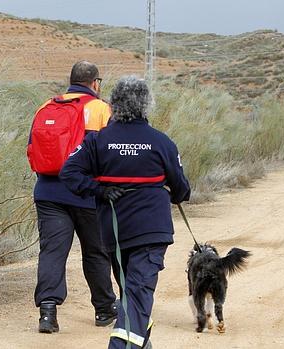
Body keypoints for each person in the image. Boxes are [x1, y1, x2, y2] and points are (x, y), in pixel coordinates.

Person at [59, 76, 191, 348]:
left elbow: (68, 172)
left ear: (114, 104)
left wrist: (99, 190)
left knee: (133, 294)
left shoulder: (97, 140)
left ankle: (141, 344)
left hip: (114, 233)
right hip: (152, 230)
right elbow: (182, 190)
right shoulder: (161, 141)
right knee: (137, 294)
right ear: (147, 105)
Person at [30, 61, 118, 334]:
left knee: (53, 252)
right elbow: (110, 155)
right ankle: (104, 309)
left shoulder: (46, 107)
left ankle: (47, 313)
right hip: (87, 194)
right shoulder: (101, 109)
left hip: (48, 192)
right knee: (96, 252)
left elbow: (32, 149)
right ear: (95, 83)